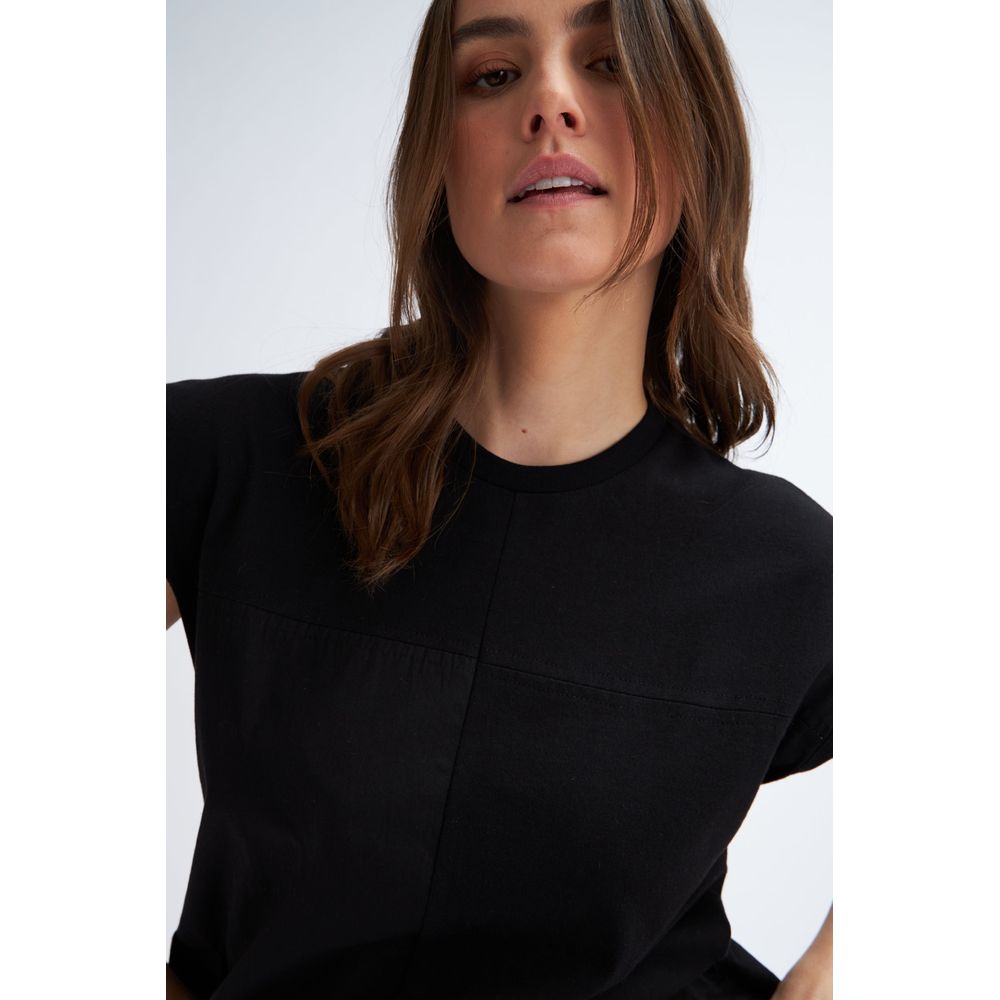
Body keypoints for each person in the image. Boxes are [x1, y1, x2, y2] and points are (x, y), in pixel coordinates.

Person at [166, 0, 832, 997]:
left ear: (693, 138)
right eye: (492, 76)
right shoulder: (226, 460)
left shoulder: (786, 568)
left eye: (609, 63)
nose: (550, 103)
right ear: (438, 159)